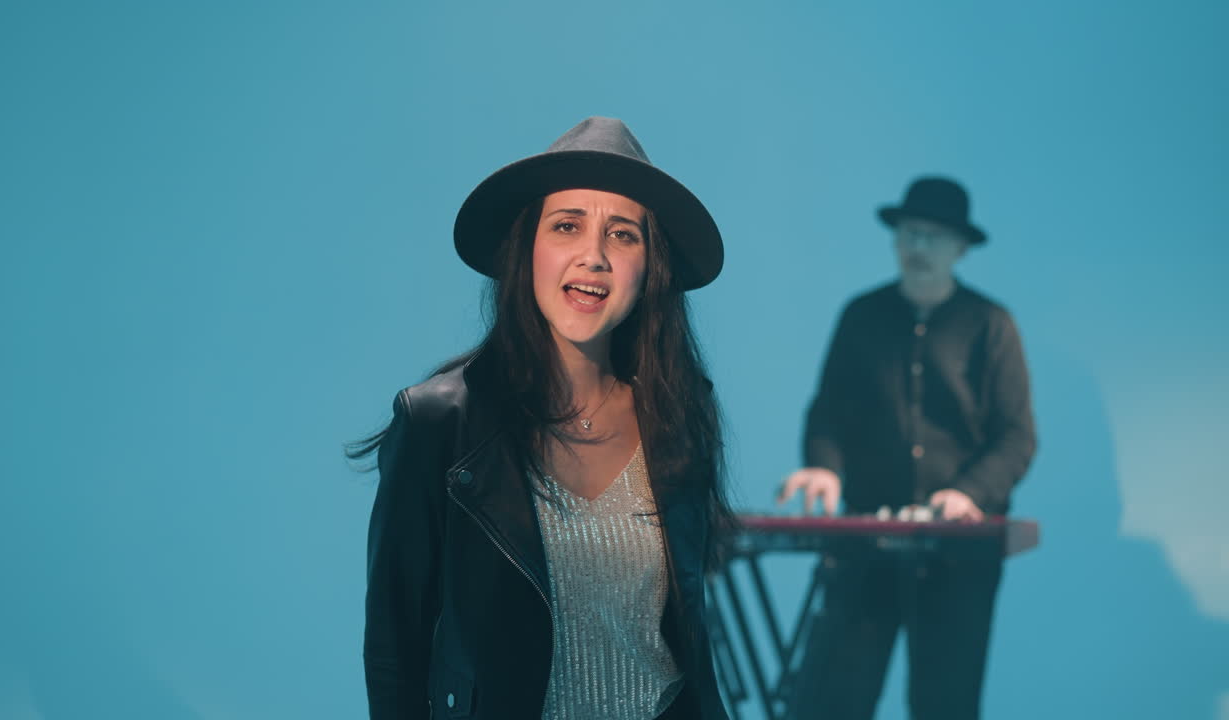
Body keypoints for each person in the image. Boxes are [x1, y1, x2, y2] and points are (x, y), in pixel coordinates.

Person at [350, 117, 733, 720]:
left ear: (649, 268)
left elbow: (692, 639)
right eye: (567, 225)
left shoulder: (680, 416)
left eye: (624, 235)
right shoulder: (438, 421)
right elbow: (395, 650)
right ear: (527, 247)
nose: (595, 256)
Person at [777, 176, 1036, 719]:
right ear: (896, 240)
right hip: (868, 540)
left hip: (958, 554)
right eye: (910, 235)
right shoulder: (861, 315)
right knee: (832, 701)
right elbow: (828, 411)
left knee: (945, 704)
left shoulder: (991, 324)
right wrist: (823, 469)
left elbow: (1017, 436)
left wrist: (968, 493)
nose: (918, 248)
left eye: (933, 237)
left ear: (961, 248)